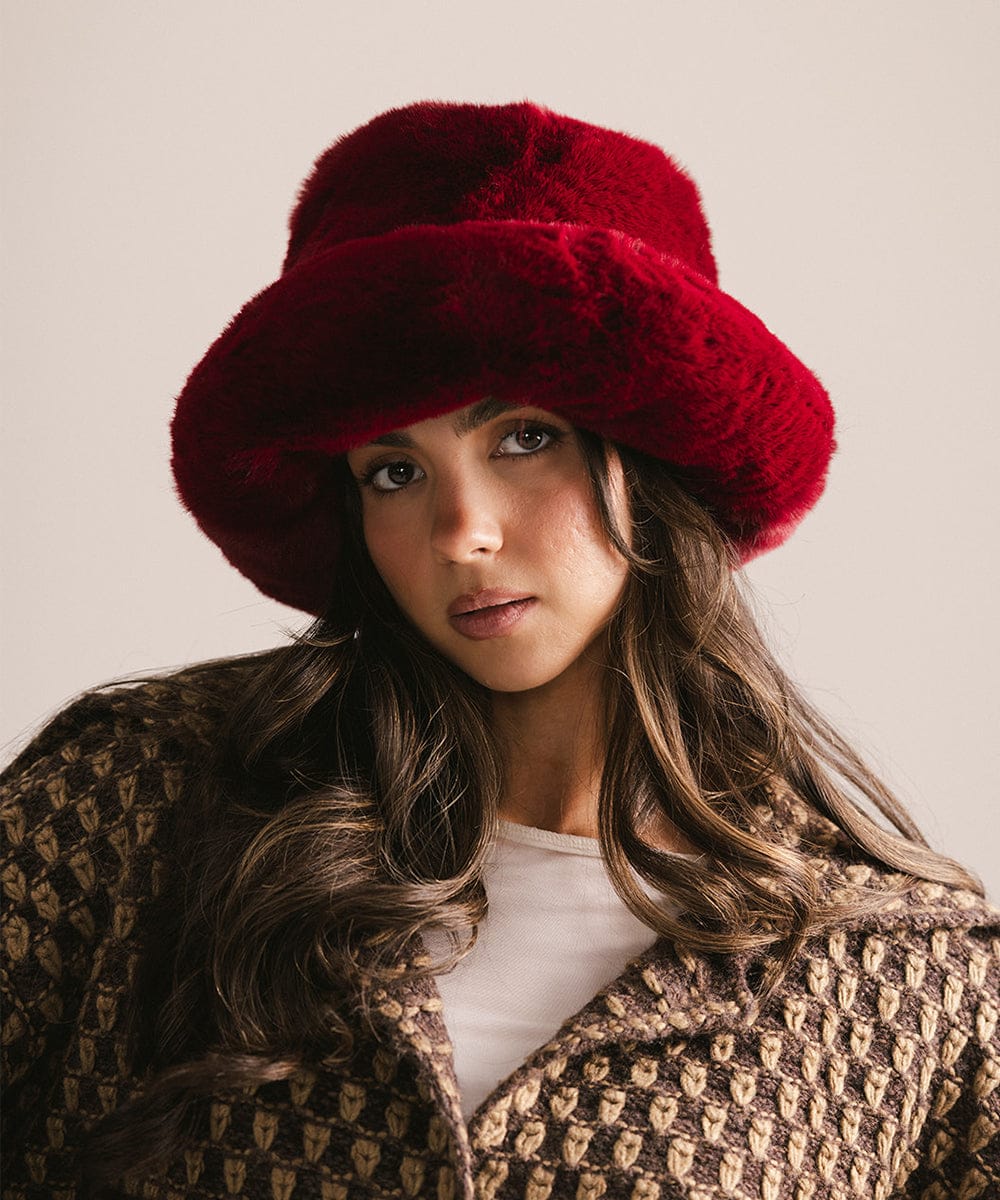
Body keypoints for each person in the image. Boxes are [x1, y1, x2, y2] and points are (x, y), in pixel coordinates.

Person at [2, 101, 997, 1200]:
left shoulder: (902, 973)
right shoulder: (139, 800)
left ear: (653, 468)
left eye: (524, 438)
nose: (461, 531)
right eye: (394, 470)